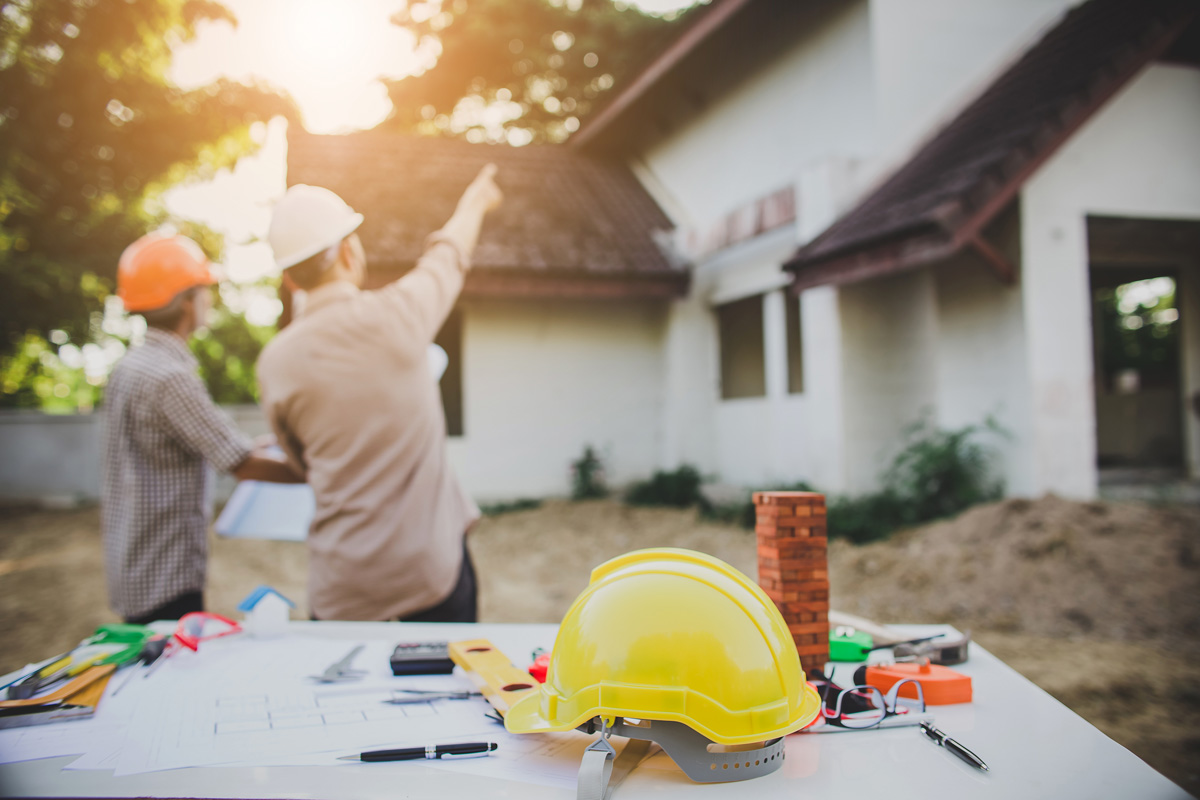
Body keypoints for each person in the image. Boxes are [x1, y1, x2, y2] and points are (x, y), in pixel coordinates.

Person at [257, 164, 502, 622]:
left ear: (291, 279)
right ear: (349, 251)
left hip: (342, 589)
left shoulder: (275, 364)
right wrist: (475, 201)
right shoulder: (400, 316)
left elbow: (301, 463)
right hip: (429, 575)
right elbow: (448, 255)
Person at [102, 233, 303, 625]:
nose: (209, 300)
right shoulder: (171, 377)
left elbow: (211, 442)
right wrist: (325, 474)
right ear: (185, 300)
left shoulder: (130, 367)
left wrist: (271, 443)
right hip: (165, 573)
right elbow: (242, 464)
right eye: (204, 290)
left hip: (135, 565)